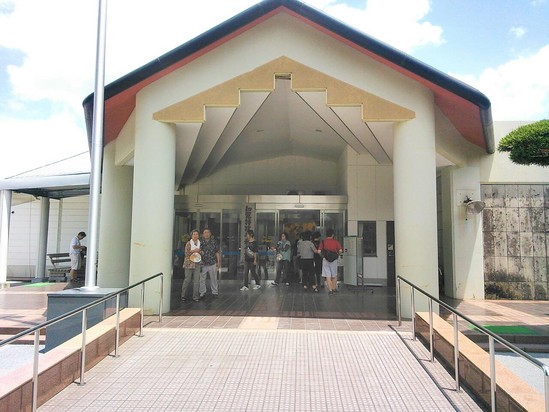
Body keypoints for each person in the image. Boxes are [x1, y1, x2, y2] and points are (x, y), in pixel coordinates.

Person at [318, 228, 343, 295]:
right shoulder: (336, 242)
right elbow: (340, 251)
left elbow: (319, 251)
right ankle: (334, 288)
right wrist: (337, 255)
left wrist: (323, 256)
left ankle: (330, 290)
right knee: (334, 275)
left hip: (326, 260)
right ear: (333, 235)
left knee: (328, 275)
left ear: (326, 235)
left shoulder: (323, 242)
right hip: (334, 260)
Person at [181, 229, 202, 302]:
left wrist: (200, 251)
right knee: (187, 279)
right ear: (191, 235)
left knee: (196, 281)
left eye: (197, 234)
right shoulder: (188, 243)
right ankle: (183, 295)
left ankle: (195, 297)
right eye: (194, 234)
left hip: (197, 263)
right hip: (189, 263)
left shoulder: (200, 243)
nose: (195, 236)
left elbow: (202, 252)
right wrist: (193, 251)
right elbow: (186, 253)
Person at [199, 228, 220, 298]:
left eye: (208, 232)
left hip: (212, 263)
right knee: (202, 279)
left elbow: (217, 252)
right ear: (203, 234)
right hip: (203, 263)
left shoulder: (214, 242)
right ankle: (202, 292)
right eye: (205, 233)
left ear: (210, 234)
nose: (206, 234)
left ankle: (215, 292)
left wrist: (218, 262)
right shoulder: (200, 242)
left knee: (214, 278)